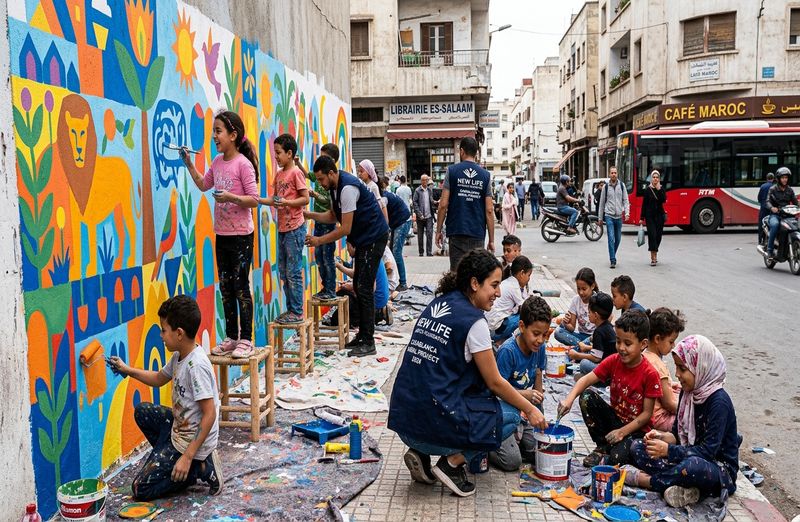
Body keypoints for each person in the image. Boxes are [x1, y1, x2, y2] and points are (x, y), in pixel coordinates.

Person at [388, 249, 547, 497]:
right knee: (510, 416)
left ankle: (421, 452)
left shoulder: (439, 302)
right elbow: (495, 383)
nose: (498, 292)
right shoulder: (475, 323)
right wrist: (530, 408)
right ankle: (451, 464)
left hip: (404, 421)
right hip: (426, 426)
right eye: (494, 285)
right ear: (474, 283)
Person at [108, 296, 222, 500]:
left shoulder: (196, 366)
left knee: (140, 489)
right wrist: (127, 370)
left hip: (191, 441)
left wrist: (187, 457)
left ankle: (198, 467)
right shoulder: (179, 355)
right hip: (180, 427)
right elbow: (159, 378)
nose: (161, 335)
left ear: (179, 333)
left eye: (163, 329)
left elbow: (210, 414)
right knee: (142, 411)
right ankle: (171, 460)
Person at [625, 335, 741, 509]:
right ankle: (685, 488)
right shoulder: (688, 395)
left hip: (717, 469)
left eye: (682, 369)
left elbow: (707, 452)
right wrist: (660, 437)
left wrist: (668, 451)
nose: (677, 375)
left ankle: (650, 481)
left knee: (692, 466)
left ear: (701, 367)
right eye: (677, 368)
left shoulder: (719, 402)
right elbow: (676, 436)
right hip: (686, 457)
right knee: (637, 446)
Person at [180, 110, 258, 358]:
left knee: (240, 286)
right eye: (213, 131)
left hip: (242, 236)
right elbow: (204, 185)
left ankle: (246, 339)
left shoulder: (243, 165)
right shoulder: (216, 163)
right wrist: (189, 164)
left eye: (218, 131)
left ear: (233, 135)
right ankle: (231, 337)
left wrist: (231, 197)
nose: (214, 136)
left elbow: (254, 200)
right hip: (222, 234)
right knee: (225, 287)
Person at [304, 156, 390, 356]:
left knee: (364, 288)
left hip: (374, 237)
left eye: (322, 179)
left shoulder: (347, 188)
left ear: (331, 173)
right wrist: (310, 215)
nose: (321, 185)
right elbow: (334, 216)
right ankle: (362, 336)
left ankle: (368, 341)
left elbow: (345, 228)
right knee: (360, 286)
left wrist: (319, 240)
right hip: (364, 238)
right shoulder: (334, 188)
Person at [558, 310, 661, 467]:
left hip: (636, 430)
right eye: (618, 341)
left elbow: (646, 415)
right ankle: (602, 446)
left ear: (643, 344)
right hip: (615, 420)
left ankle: (609, 450)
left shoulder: (650, 374)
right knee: (586, 397)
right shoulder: (614, 361)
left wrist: (622, 432)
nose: (621, 348)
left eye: (627, 344)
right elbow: (586, 380)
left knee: (616, 460)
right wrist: (568, 399)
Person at [490, 296, 551, 471]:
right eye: (536, 334)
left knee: (538, 451)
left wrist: (538, 413)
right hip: (507, 411)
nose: (540, 340)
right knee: (512, 462)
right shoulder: (507, 352)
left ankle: (520, 438)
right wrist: (526, 396)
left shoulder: (540, 348)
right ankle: (485, 448)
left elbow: (538, 375)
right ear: (522, 327)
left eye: (544, 335)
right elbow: (497, 391)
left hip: (525, 411)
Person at [259, 134, 309, 325]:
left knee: (293, 272)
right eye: (275, 153)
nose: (276, 157)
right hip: (282, 229)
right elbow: (274, 199)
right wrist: (256, 200)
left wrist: (288, 202)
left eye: (278, 153)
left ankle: (297, 312)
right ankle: (291, 310)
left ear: (289, 153)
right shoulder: (279, 175)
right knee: (283, 270)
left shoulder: (296, 173)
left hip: (295, 229)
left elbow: (305, 198)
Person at [436, 137, 495, 270]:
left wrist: (438, 230)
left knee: (457, 274)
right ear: (476, 153)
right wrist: (491, 240)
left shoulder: (452, 171)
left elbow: (443, 204)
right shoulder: (485, 175)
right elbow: (489, 210)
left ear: (461, 151)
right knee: (474, 275)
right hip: (477, 232)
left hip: (456, 231)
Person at [294, 143, 341, 300]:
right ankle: (325, 287)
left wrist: (315, 196)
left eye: (324, 157)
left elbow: (329, 204)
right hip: (319, 221)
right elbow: (307, 175)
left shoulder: (332, 183)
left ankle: (330, 289)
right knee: (319, 256)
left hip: (327, 222)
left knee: (327, 256)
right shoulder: (320, 175)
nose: (320, 181)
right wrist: (298, 163)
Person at [329, 243, 392, 335]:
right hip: (378, 298)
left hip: (375, 300)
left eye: (347, 246)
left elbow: (371, 287)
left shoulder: (367, 258)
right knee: (343, 296)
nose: (347, 250)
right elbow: (358, 274)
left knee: (336, 320)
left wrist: (352, 287)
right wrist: (339, 266)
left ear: (354, 246)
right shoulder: (368, 255)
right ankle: (376, 313)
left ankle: (377, 314)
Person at [644, 308, 686, 431]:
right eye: (671, 341)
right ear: (657, 339)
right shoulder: (658, 366)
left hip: (650, 414)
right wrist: (688, 412)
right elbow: (669, 404)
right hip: (659, 419)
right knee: (694, 422)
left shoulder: (644, 356)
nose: (673, 346)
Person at [485, 256, 533, 343]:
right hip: (494, 330)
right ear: (522, 273)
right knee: (527, 316)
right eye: (528, 275)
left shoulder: (510, 281)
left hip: (490, 327)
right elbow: (525, 307)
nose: (529, 279)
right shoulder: (514, 286)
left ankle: (502, 341)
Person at [567, 292, 616, 377]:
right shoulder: (608, 326)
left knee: (584, 363)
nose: (588, 314)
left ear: (596, 315)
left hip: (608, 371)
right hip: (612, 366)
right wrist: (586, 348)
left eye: (589, 312)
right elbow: (604, 349)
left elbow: (596, 358)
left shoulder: (599, 331)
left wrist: (577, 355)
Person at [379, 176, 412, 292]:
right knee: (393, 253)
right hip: (398, 222)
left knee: (396, 253)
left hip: (403, 222)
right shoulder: (382, 195)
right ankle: (397, 280)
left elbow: (384, 219)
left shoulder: (383, 198)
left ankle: (403, 283)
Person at [554, 267, 598, 347]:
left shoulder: (598, 299)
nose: (581, 292)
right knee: (558, 332)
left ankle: (581, 348)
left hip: (594, 338)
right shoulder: (576, 300)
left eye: (584, 289)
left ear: (592, 286)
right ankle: (582, 347)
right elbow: (572, 328)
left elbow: (610, 317)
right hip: (580, 337)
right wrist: (565, 323)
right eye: (578, 289)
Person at [598, 166, 630, 269]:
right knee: (611, 238)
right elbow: (602, 203)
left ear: (617, 174)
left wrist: (627, 213)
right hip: (609, 216)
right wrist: (600, 218)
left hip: (619, 216)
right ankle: (612, 259)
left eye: (615, 173)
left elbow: (625, 200)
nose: (613, 174)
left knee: (618, 239)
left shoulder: (622, 185)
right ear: (609, 174)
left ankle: (613, 254)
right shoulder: (605, 187)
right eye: (612, 173)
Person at [766, 167, 799, 259]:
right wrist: (772, 208)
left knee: (797, 226)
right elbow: (767, 201)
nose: (785, 179)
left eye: (786, 178)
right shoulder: (773, 189)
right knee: (775, 225)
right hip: (776, 215)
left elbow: (796, 202)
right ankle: (770, 249)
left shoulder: (790, 190)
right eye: (783, 177)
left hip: (788, 216)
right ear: (778, 179)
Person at [641, 170, 667, 266]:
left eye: (657, 177)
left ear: (659, 179)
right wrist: (642, 217)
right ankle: (653, 256)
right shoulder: (648, 190)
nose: (655, 179)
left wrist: (659, 189)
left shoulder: (662, 189)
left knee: (658, 236)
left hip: (659, 216)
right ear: (651, 179)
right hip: (650, 216)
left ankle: (655, 250)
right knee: (652, 235)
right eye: (654, 177)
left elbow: (663, 200)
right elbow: (644, 204)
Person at [413, 174, 435, 256]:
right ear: (421, 181)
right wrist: (419, 214)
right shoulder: (417, 190)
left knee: (429, 234)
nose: (425, 181)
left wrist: (435, 202)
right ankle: (421, 252)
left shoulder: (429, 190)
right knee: (420, 235)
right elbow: (414, 203)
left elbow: (431, 200)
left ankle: (429, 252)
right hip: (420, 217)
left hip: (429, 216)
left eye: (426, 180)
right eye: (424, 180)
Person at [756, 172, 774, 244]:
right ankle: (769, 240)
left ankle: (761, 240)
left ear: (767, 178)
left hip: (763, 208)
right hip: (771, 208)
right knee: (770, 224)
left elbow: (759, 198)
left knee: (762, 224)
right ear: (773, 179)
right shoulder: (774, 186)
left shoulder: (763, 186)